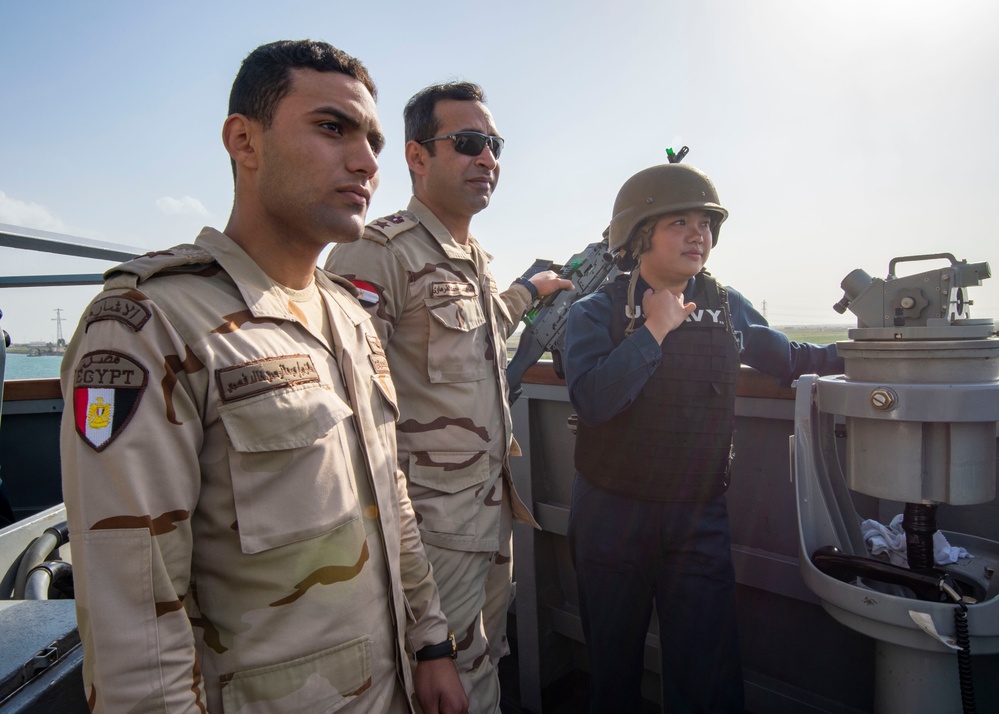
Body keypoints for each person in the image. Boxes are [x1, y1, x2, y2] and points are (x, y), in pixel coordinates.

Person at [59, 40, 468, 714]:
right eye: (333, 128)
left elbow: (389, 498)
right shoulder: (148, 325)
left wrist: (431, 644)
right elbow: (135, 620)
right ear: (244, 142)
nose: (366, 161)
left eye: (372, 139)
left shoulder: (350, 316)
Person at [324, 82, 572, 713]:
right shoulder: (377, 251)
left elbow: (481, 329)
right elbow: (340, 398)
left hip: (487, 514)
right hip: (428, 530)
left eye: (493, 145)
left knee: (486, 657)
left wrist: (530, 292)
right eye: (468, 143)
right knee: (447, 681)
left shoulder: (474, 259)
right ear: (417, 156)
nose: (487, 159)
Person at [564, 163, 844, 713]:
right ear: (640, 234)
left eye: (706, 224)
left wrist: (872, 350)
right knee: (613, 670)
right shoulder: (595, 312)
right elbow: (593, 400)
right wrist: (654, 331)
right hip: (611, 513)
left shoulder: (725, 304)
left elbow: (789, 359)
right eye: (679, 222)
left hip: (698, 517)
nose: (699, 235)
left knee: (708, 678)